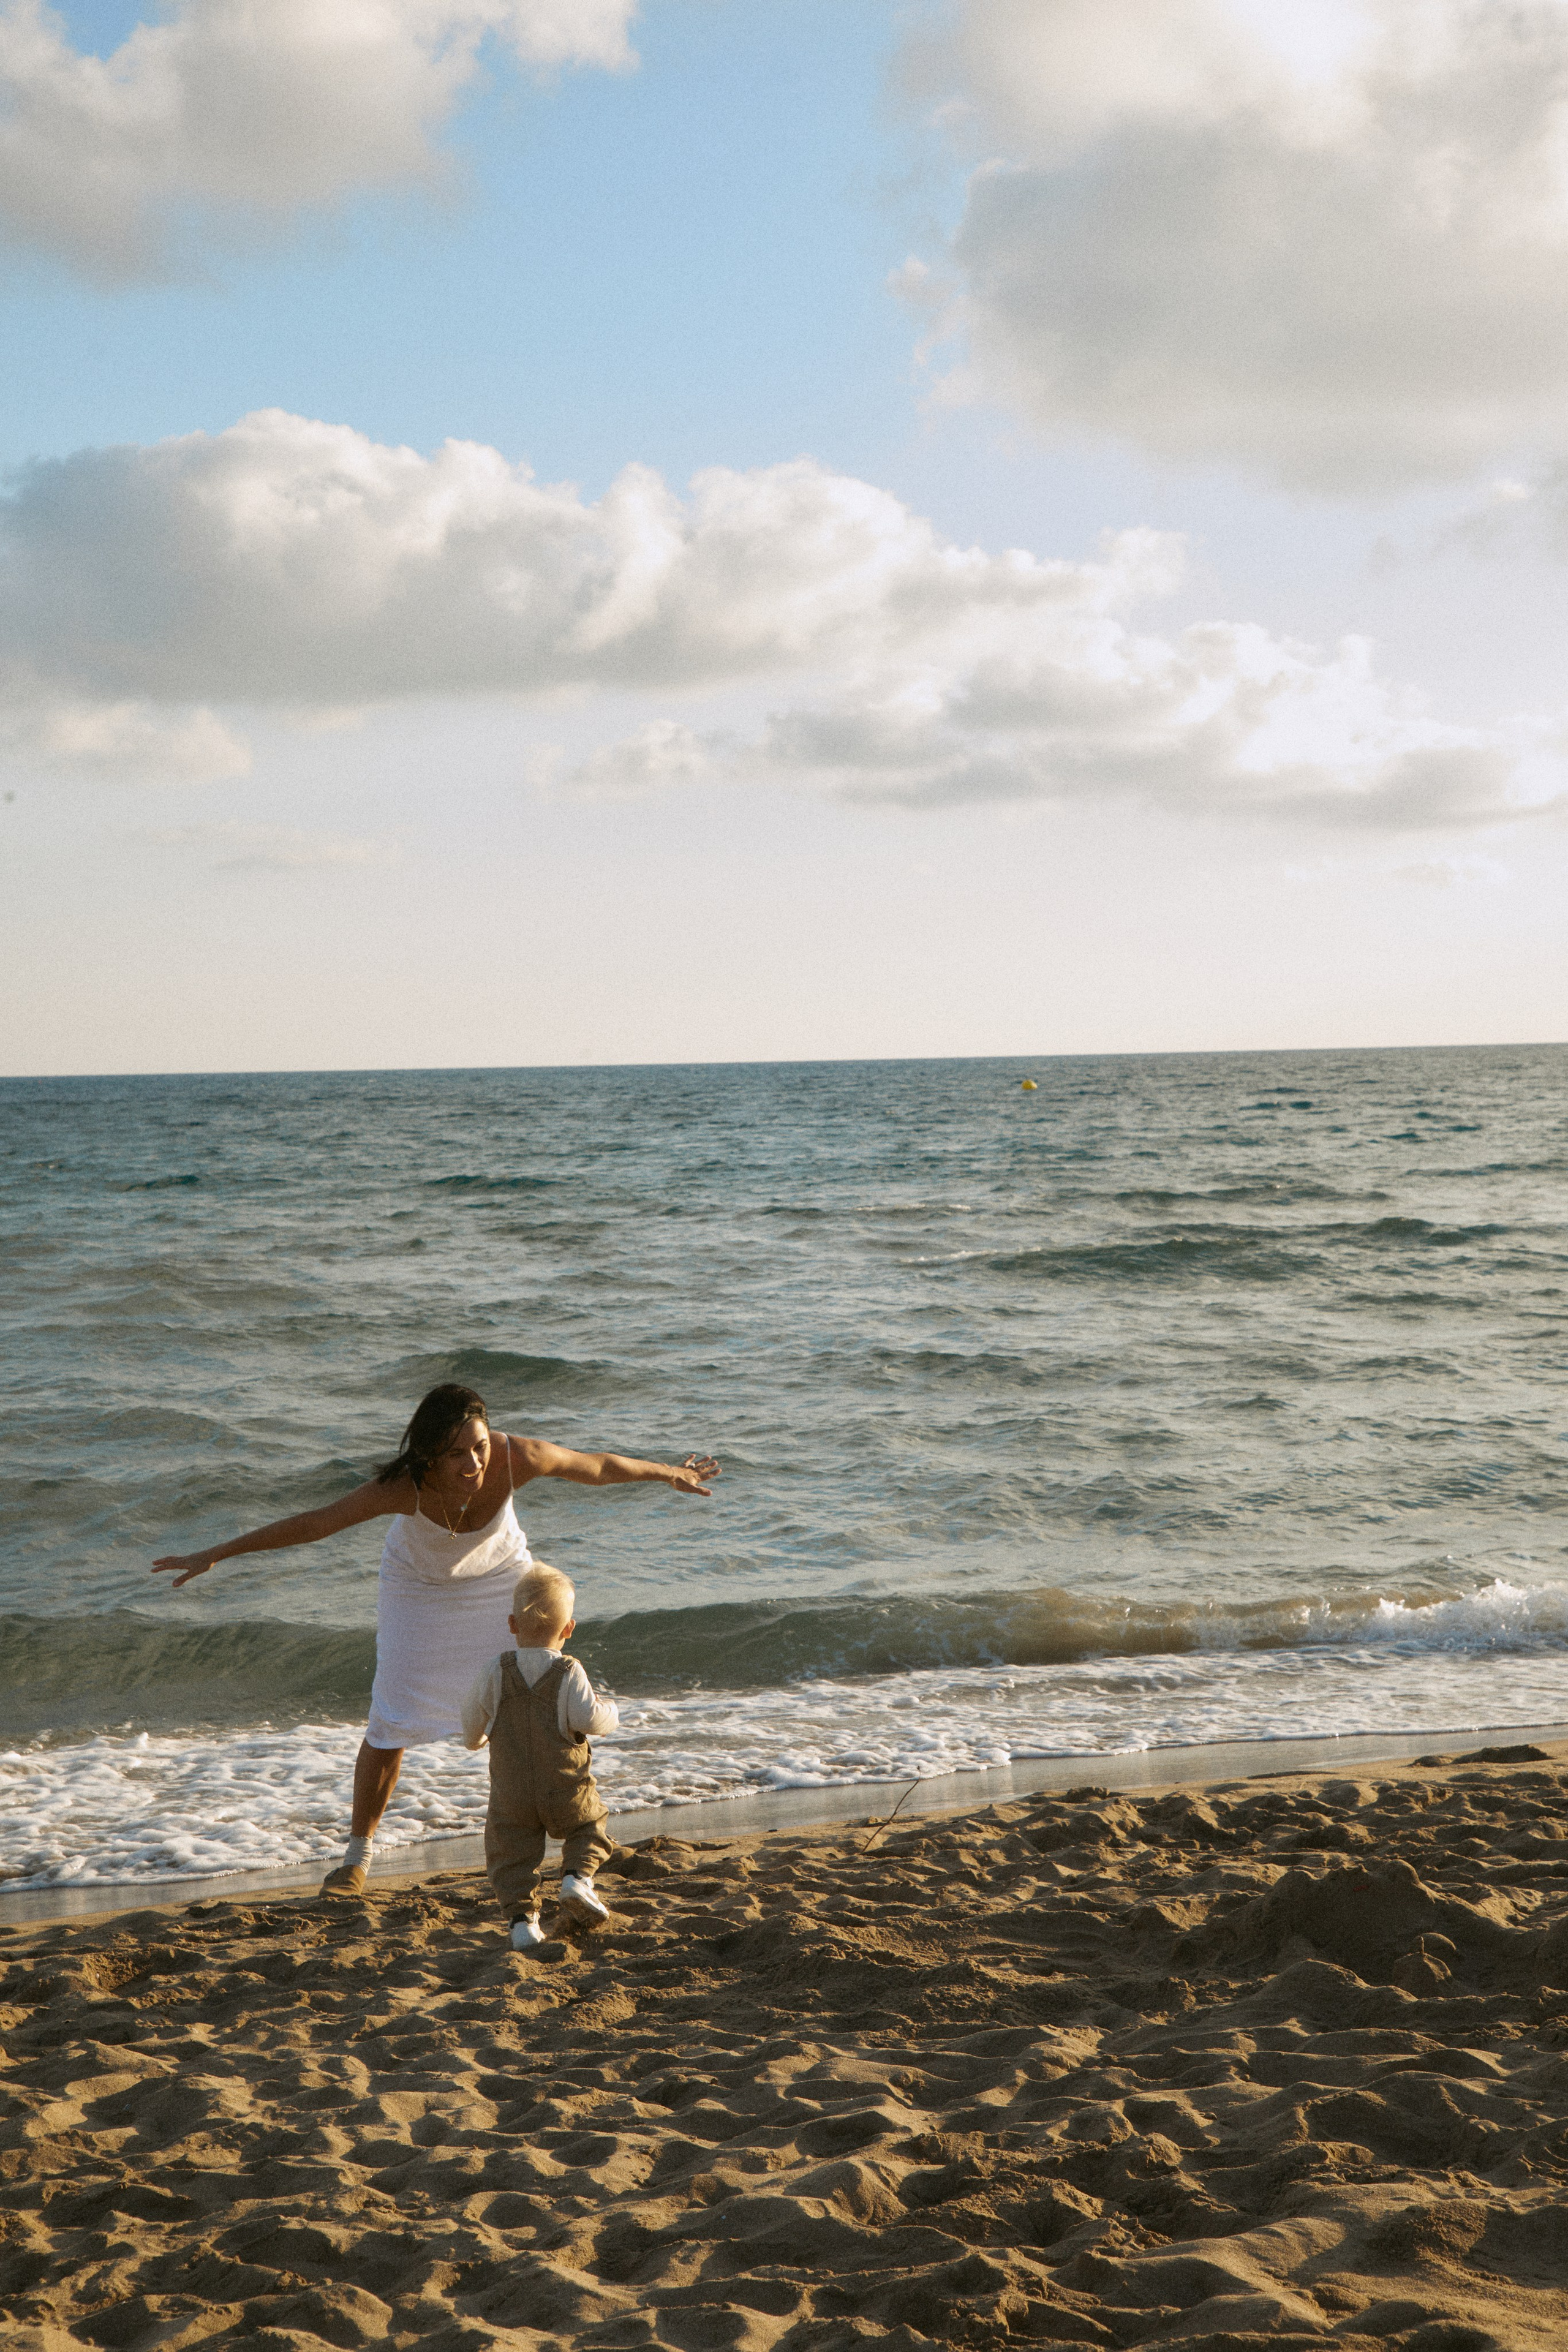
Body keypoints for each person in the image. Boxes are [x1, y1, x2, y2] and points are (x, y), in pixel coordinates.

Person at [151, 1382, 717, 1894]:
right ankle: (357, 1857)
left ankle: (585, 1833)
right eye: (456, 1454)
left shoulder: (516, 1456)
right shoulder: (403, 1487)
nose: (474, 1462)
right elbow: (316, 1523)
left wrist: (669, 1471)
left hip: (499, 1576)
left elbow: (593, 1465)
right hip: (417, 1587)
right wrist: (216, 1553)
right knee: (391, 1716)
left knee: (542, 1693)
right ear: (429, 1457)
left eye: (479, 1446)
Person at [461, 1562, 616, 1951]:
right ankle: (576, 1879)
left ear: (512, 1624)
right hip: (563, 1787)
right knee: (589, 1825)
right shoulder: (569, 1670)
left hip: (512, 1793)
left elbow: (471, 1718)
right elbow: (589, 1719)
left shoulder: (495, 1670)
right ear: (569, 1629)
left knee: (511, 1853)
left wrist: (475, 1740)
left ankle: (522, 1924)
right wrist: (611, 1712)